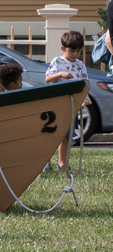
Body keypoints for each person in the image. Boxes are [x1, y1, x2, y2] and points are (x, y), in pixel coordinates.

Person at [44, 30, 88, 171]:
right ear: (63, 49)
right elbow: (47, 79)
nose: (75, 54)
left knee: (67, 134)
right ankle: (46, 163)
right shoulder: (57, 62)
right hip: (56, 103)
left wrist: (83, 99)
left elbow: (85, 83)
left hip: (72, 104)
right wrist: (61, 74)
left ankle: (62, 163)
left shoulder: (80, 65)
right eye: (72, 51)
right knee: (51, 133)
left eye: (78, 51)